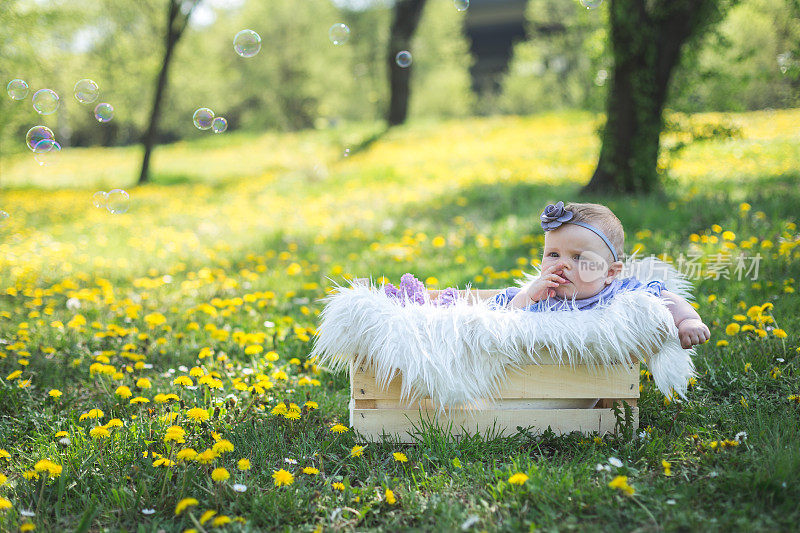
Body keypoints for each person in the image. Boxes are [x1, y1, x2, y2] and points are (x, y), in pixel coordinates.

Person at [422, 201, 711, 350]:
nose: (563, 265)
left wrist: (687, 320)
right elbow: (493, 315)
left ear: (610, 273)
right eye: (553, 254)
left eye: (579, 258)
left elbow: (663, 297)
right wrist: (528, 296)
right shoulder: (539, 294)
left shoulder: (620, 295)